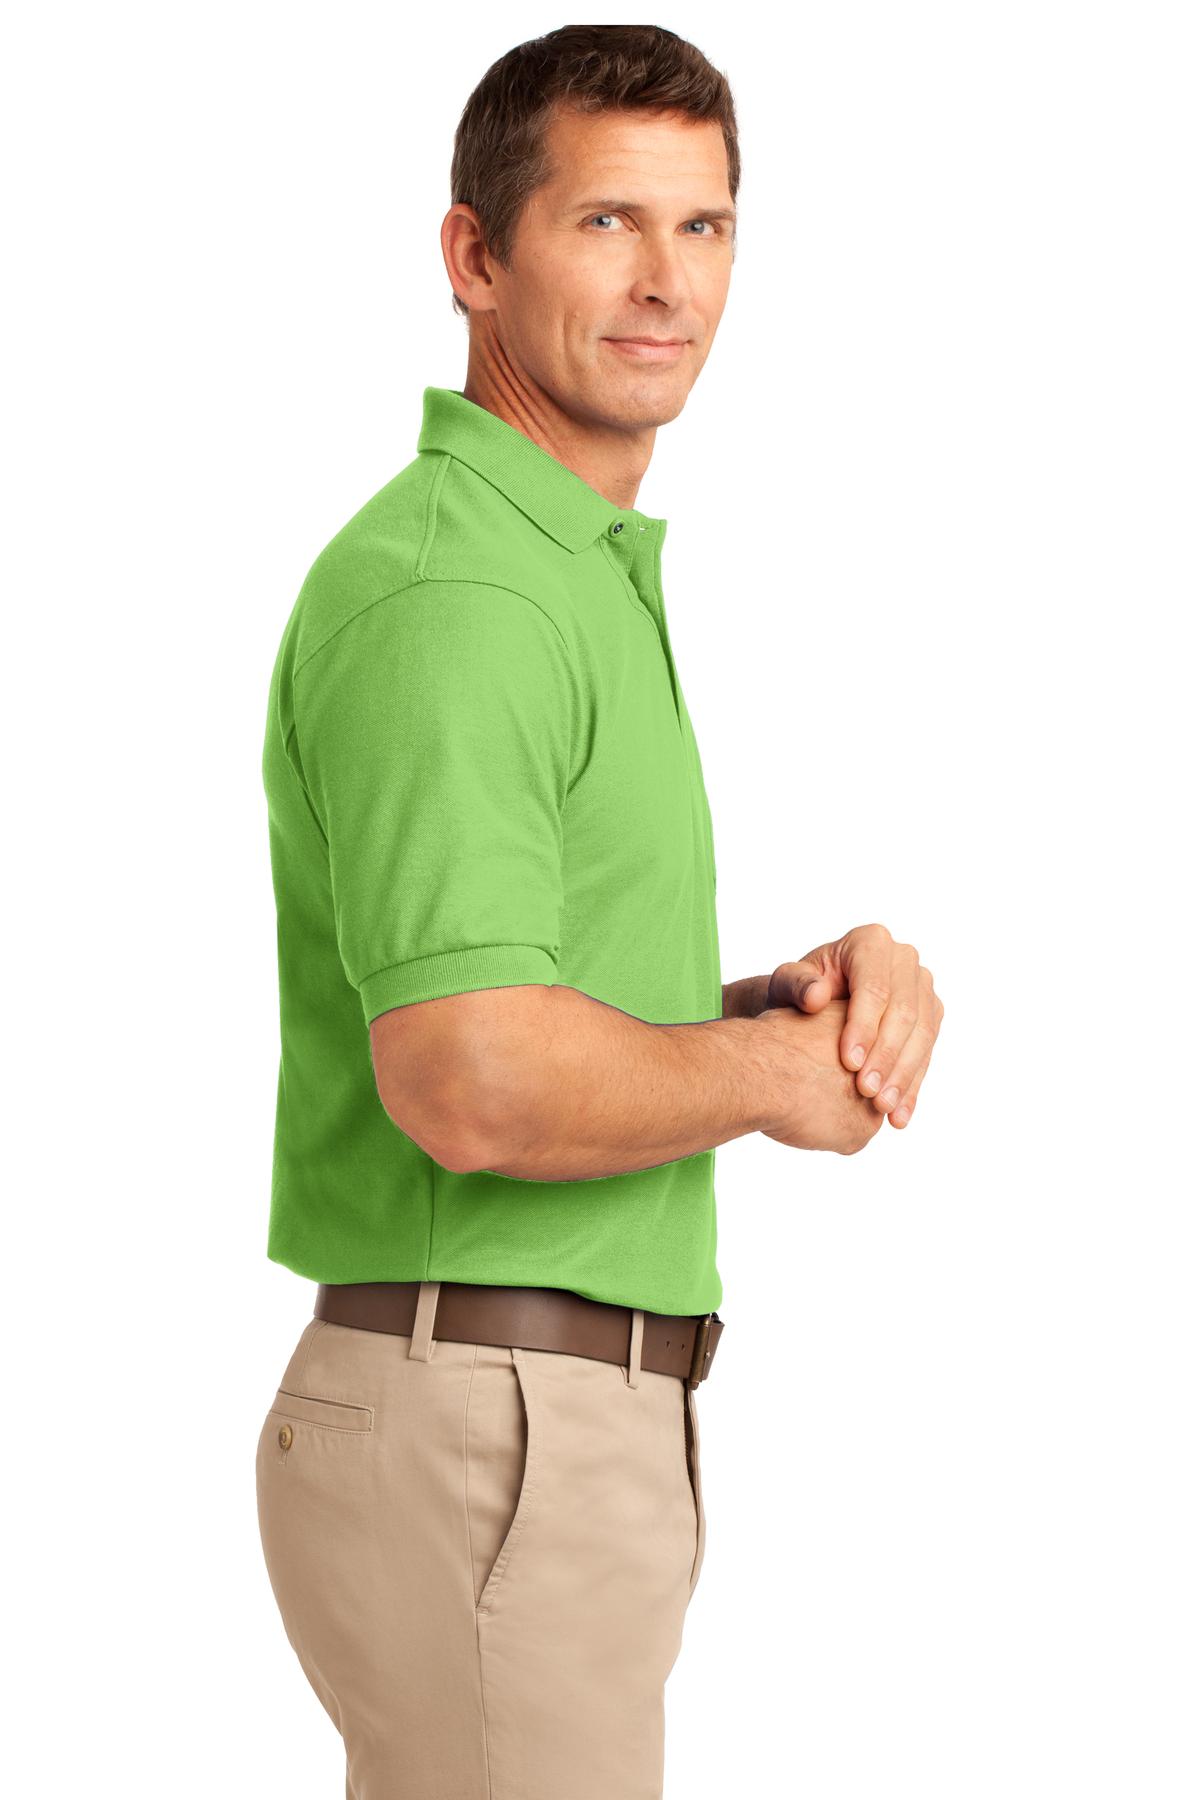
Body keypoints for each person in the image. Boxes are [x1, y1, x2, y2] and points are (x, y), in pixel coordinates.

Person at [255, 23, 943, 1799]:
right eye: (606, 221)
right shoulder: (462, 594)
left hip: (536, 1424)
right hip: (495, 1425)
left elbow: (545, 1002)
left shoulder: (560, 570)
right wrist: (779, 1085)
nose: (666, 282)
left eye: (704, 227)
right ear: (475, 257)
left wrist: (783, 1007)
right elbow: (473, 1075)